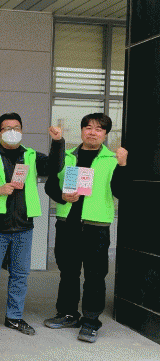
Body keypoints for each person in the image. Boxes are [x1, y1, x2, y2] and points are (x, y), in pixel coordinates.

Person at [0, 112, 64, 336]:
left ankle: (14, 317)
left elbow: (54, 167)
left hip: (23, 226)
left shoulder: (31, 155)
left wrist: (57, 142)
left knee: (20, 276)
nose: (12, 132)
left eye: (16, 128)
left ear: (22, 131)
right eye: (7, 128)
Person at [43, 113, 127, 343]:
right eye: (88, 127)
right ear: (81, 131)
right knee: (68, 272)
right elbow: (50, 185)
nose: (92, 132)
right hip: (67, 224)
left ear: (105, 134)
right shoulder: (67, 156)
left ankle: (90, 321)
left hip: (95, 226)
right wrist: (62, 196)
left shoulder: (112, 159)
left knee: (95, 275)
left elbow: (121, 191)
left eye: (99, 129)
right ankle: (68, 314)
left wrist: (122, 165)